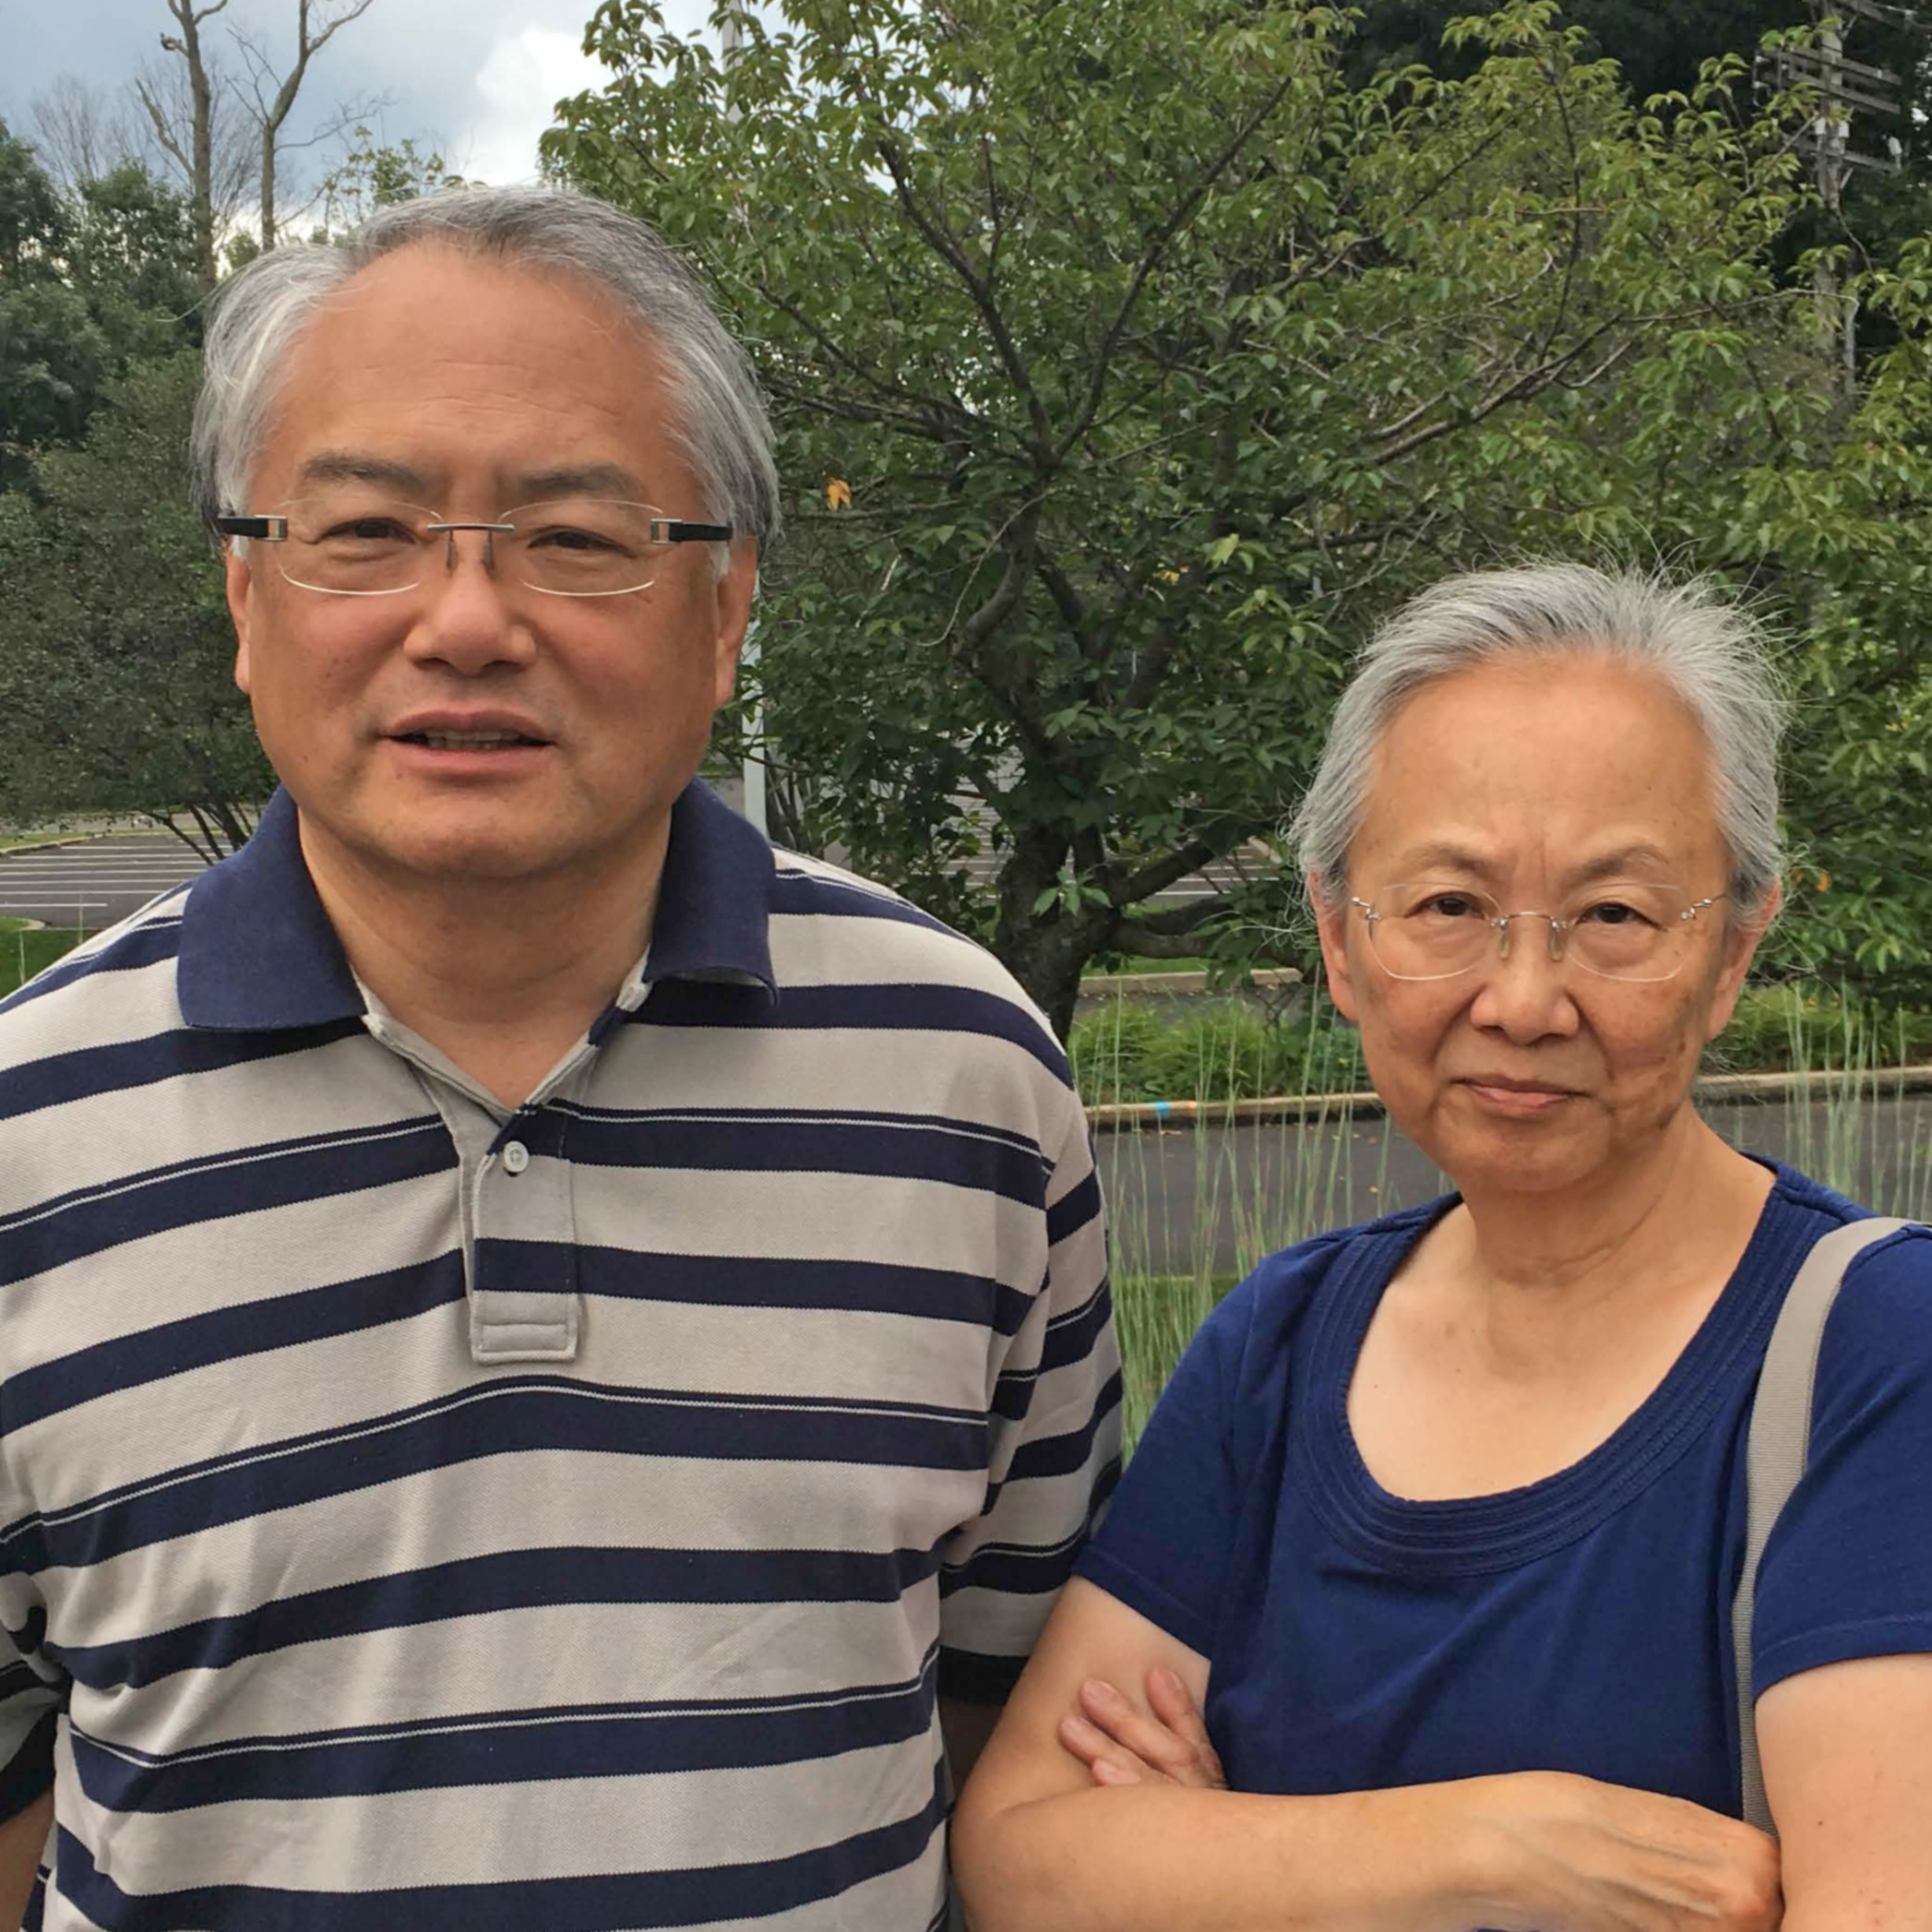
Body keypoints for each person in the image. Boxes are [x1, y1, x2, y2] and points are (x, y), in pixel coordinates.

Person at [0, 185, 1120, 1930]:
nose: (463, 621)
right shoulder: (23, 1132)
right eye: (362, 529)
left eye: (575, 538)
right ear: (244, 594)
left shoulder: (964, 1080)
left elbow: (1009, 1703)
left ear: (727, 604)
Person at [954, 564, 1932, 1929]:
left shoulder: (1875, 1353)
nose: (1523, 999)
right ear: (1339, 941)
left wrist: (1221, 1858)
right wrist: (1492, 1845)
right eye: (1446, 907)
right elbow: (1017, 1861)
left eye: (1614, 916)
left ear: (1733, 953)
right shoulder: (1278, 1346)